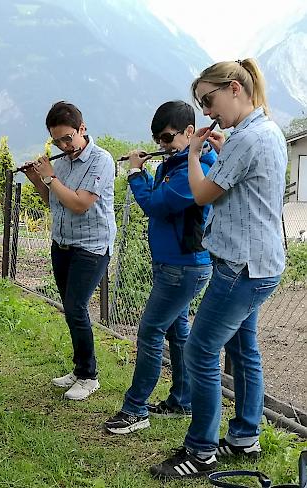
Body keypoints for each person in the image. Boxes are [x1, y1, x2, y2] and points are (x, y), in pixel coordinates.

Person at [151, 59, 287, 478]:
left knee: (201, 350)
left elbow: (203, 193)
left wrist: (194, 154)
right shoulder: (263, 131)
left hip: (240, 266)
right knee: (243, 350)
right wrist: (220, 151)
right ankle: (245, 437)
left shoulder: (249, 138)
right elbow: (245, 179)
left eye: (209, 101)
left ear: (234, 89)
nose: (207, 112)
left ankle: (201, 450)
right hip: (261, 261)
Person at [103, 101, 216, 434]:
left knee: (150, 331)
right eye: (159, 140)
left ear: (190, 132)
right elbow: (158, 195)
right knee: (176, 330)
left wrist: (136, 173)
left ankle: (135, 409)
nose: (163, 146)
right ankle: (183, 399)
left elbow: (156, 205)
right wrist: (148, 173)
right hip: (172, 264)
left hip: (184, 268)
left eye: (168, 138)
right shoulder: (175, 163)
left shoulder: (200, 167)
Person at [24, 101, 116, 401]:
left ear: (82, 129)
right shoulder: (60, 163)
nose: (64, 145)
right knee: (70, 309)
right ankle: (79, 370)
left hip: (91, 246)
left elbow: (79, 203)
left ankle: (89, 376)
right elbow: (54, 201)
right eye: (57, 140)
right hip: (61, 243)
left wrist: (50, 177)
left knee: (76, 307)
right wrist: (37, 179)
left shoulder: (101, 160)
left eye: (68, 138)